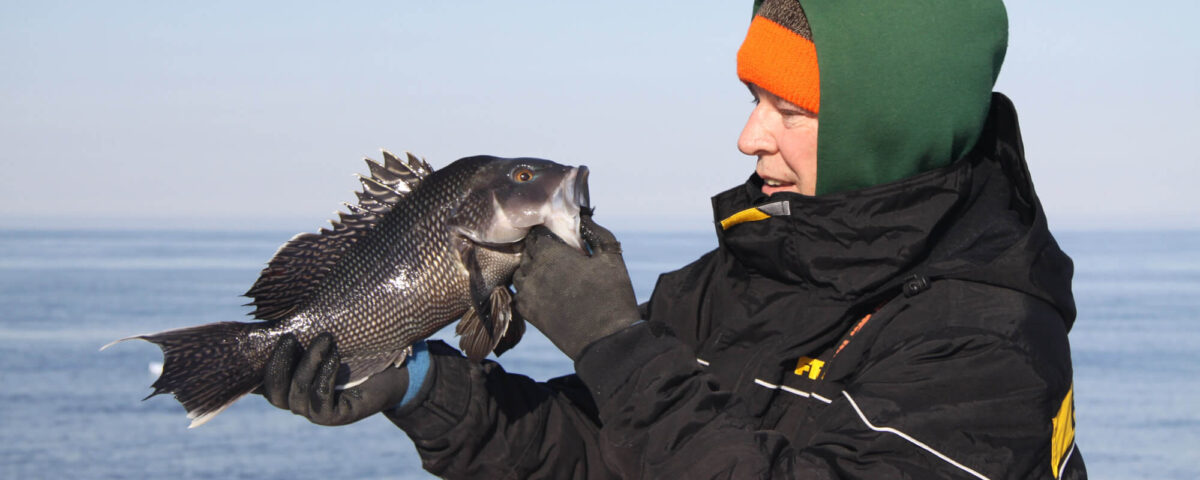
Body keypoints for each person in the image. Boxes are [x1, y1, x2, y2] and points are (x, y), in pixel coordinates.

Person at [261, 1, 1087, 478]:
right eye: (753, 98)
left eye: (789, 111)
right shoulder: (748, 272)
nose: (748, 137)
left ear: (886, 130)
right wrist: (418, 389)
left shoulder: (993, 354)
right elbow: (597, 453)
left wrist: (618, 347)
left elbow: (654, 409)